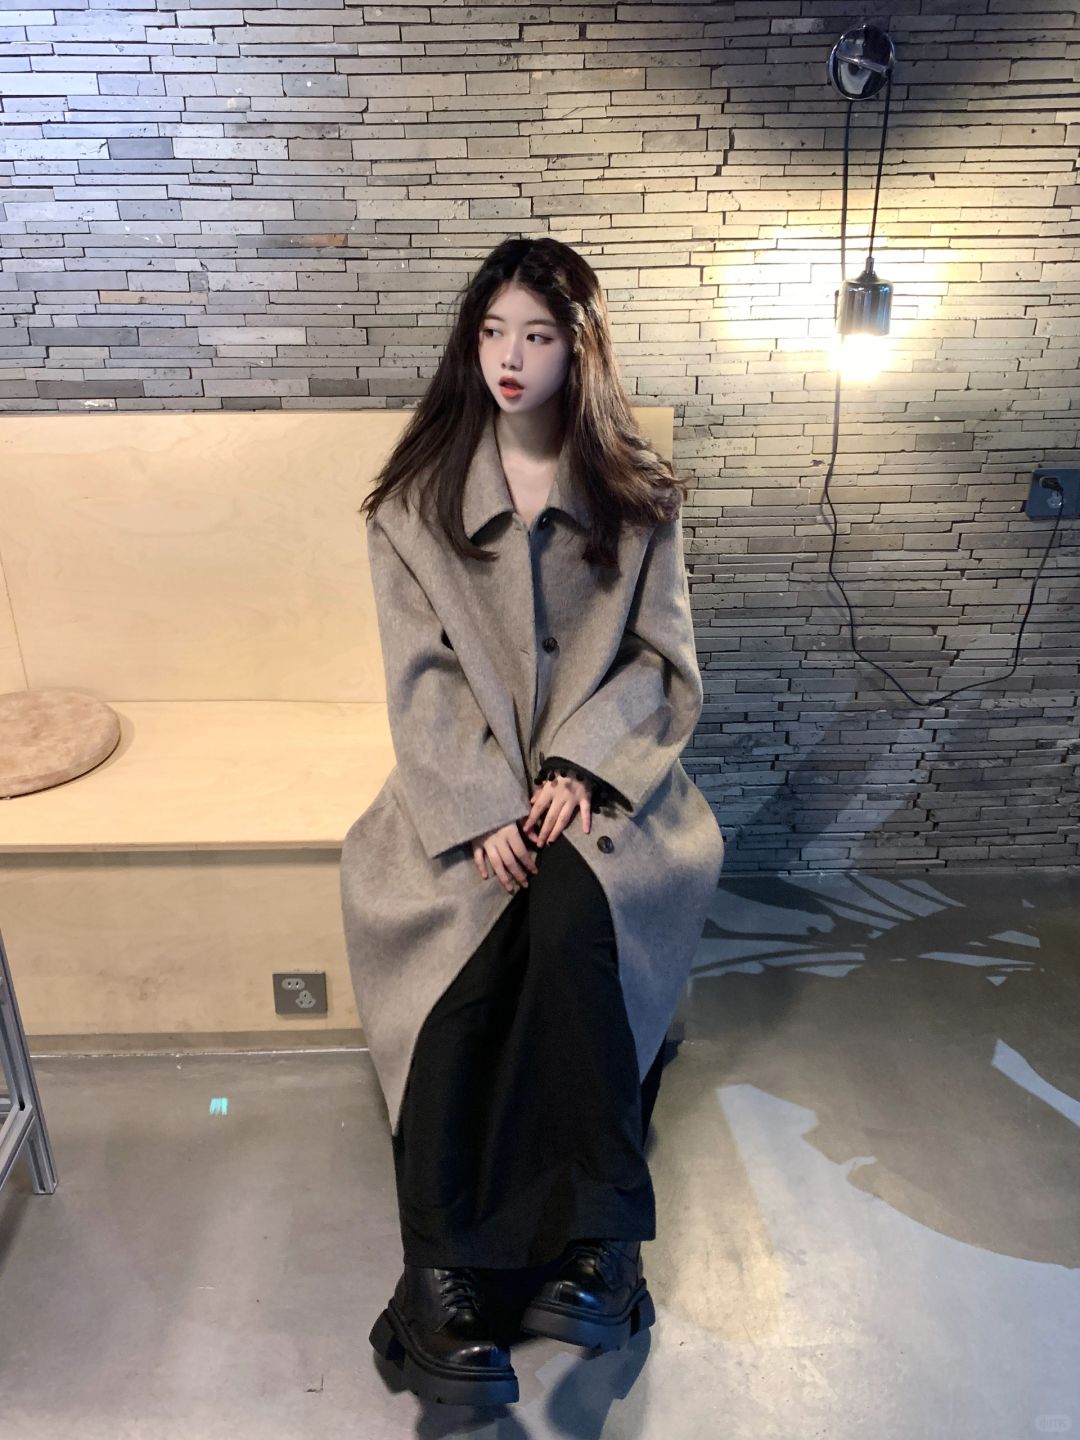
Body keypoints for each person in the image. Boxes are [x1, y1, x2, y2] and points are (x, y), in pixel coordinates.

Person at [339, 236, 726, 1408]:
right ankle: (440, 1281)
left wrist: (582, 766)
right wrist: (481, 807)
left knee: (573, 930)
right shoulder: (413, 506)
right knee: (463, 960)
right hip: (459, 789)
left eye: (539, 335)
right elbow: (420, 680)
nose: (510, 357)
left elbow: (662, 666)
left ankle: (596, 1254)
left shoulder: (639, 497)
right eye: (494, 332)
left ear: (579, 350)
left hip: (611, 792)